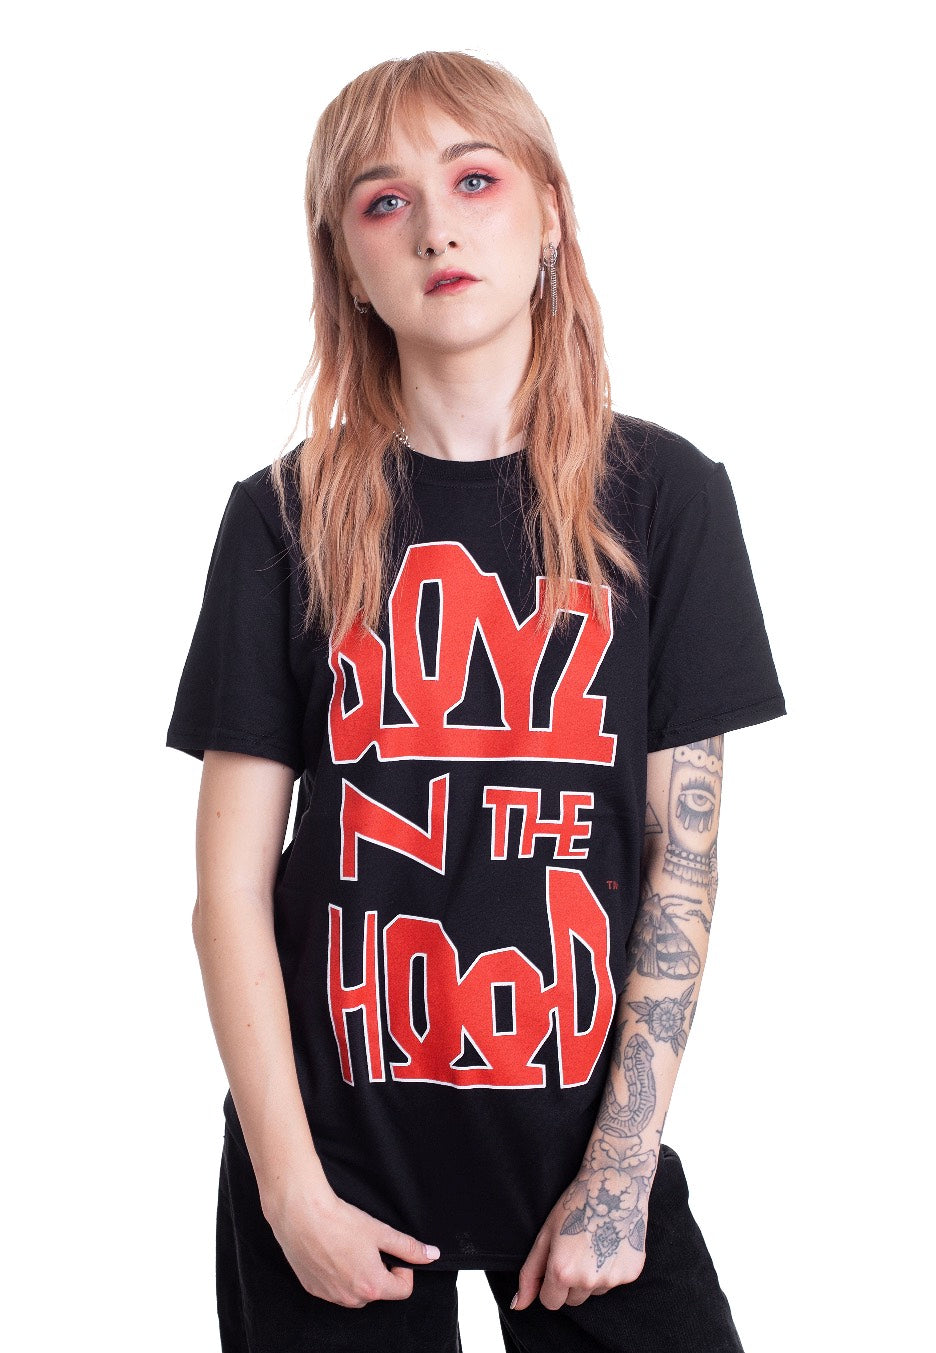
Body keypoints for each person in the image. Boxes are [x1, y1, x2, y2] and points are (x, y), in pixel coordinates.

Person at [166, 49, 787, 1353]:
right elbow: (228, 888)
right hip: (331, 1160)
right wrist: (288, 1191)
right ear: (348, 262)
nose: (436, 227)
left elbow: (681, 863)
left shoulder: (664, 500)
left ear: (550, 213)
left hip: (578, 1152)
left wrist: (620, 1180)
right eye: (384, 199)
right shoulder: (282, 518)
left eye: (475, 179)